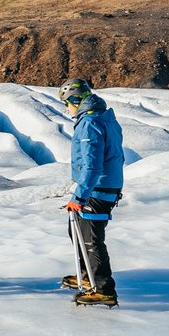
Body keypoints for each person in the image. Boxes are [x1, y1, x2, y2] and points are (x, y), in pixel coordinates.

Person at [59, 79, 124, 307]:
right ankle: (88, 278)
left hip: (97, 189)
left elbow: (92, 165)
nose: (66, 108)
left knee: (91, 240)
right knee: (76, 231)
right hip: (102, 187)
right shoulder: (104, 118)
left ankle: (104, 289)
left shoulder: (90, 123)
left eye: (67, 103)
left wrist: (79, 197)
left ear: (76, 100)